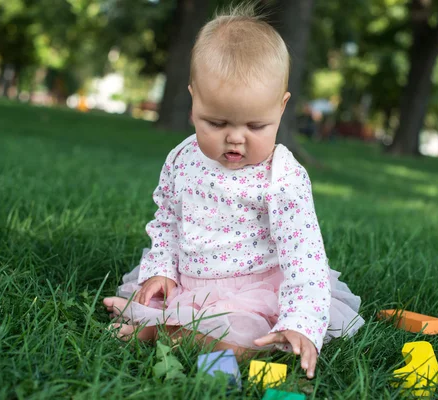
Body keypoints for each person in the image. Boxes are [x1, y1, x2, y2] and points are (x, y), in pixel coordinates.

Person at [103, 4, 364, 379]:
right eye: (217, 122)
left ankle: (164, 336)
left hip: (254, 291)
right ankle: (164, 328)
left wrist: (300, 320)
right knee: (163, 302)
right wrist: (161, 269)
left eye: (256, 125)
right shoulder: (182, 159)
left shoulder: (281, 176)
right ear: (194, 100)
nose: (235, 139)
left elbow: (303, 255)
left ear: (282, 106)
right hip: (191, 283)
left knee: (242, 339)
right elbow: (168, 221)